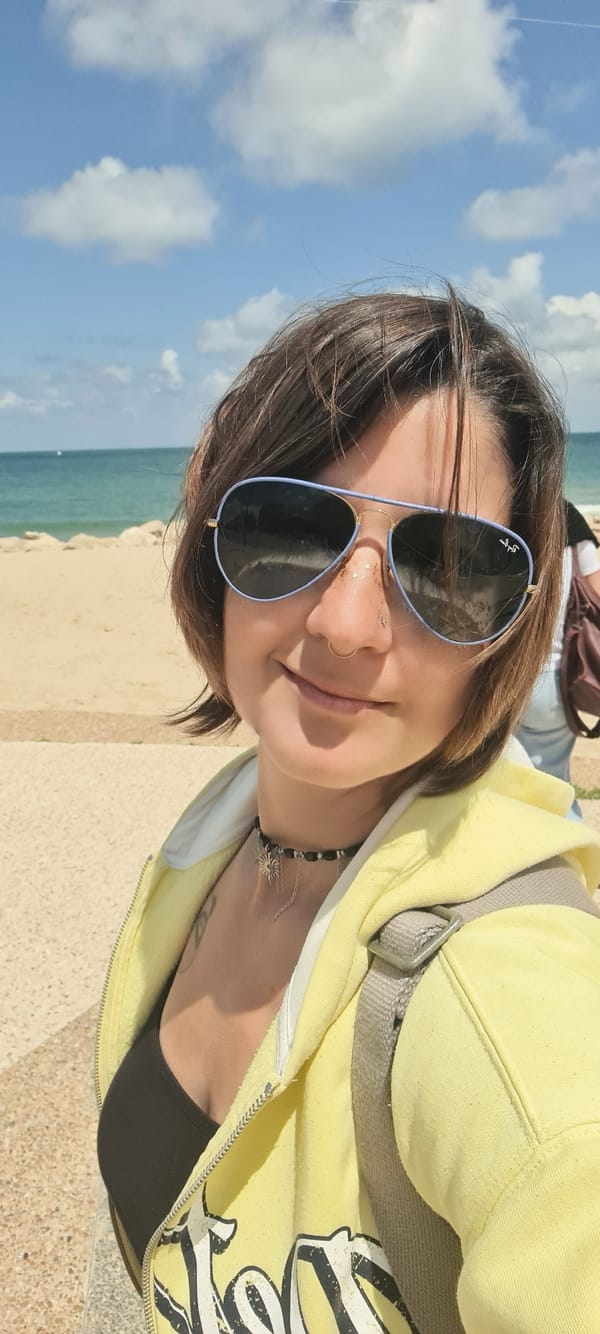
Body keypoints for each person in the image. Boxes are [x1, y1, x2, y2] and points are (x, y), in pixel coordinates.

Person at [96, 289, 600, 1333]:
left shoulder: (503, 991)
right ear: (212, 545)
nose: (348, 623)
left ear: (512, 630)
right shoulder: (212, 838)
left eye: (448, 566)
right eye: (290, 527)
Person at [516, 500, 600, 817]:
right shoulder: (568, 519)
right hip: (555, 678)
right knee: (555, 789)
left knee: (509, 787)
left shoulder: (507, 511)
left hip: (503, 678)